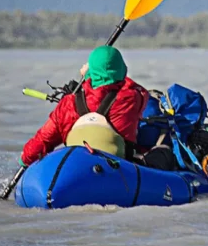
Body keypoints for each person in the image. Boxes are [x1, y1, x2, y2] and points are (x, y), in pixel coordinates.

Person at [19, 46, 149, 168]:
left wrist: (25, 159)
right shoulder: (131, 98)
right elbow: (141, 91)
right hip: (116, 170)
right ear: (122, 70)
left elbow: (43, 139)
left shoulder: (68, 103)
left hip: (76, 169)